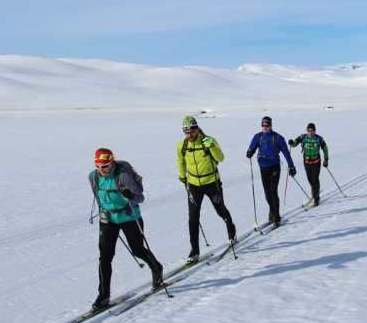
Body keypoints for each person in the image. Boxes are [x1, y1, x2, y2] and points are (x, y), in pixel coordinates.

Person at [88, 148, 163, 311]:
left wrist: (130, 195)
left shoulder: (122, 175)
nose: (101, 170)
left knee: (137, 250)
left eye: (105, 166)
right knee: (105, 256)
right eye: (98, 166)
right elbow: (98, 197)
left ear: (112, 163)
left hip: (129, 217)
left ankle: (156, 268)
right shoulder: (93, 177)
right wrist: (104, 211)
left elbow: (140, 198)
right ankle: (103, 295)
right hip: (108, 220)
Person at [177, 116, 237, 264]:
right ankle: (194, 250)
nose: (190, 135)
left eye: (192, 131)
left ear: (197, 128)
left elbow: (220, 158)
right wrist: (182, 176)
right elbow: (181, 160)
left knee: (220, 210)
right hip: (193, 184)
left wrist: (211, 146)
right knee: (193, 217)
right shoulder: (182, 145)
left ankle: (231, 230)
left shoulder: (208, 140)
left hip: (211, 182)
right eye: (186, 132)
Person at [246, 116, 296, 226]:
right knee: (267, 192)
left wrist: (292, 166)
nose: (265, 127)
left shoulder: (278, 138)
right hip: (263, 167)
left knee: (273, 191)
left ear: (270, 126)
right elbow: (252, 147)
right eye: (263, 125)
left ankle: (277, 216)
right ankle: (272, 210)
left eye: (267, 125)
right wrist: (250, 152)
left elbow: (286, 153)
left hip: (274, 167)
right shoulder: (257, 136)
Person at [288, 122, 329, 205]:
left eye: (312, 131)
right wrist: (291, 143)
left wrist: (326, 159)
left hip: (316, 162)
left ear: (315, 131)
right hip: (307, 162)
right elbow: (294, 144)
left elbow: (325, 148)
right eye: (309, 130)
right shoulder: (303, 137)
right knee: (310, 179)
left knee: (315, 178)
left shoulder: (319, 138)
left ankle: (316, 196)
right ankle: (314, 189)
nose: (310, 132)